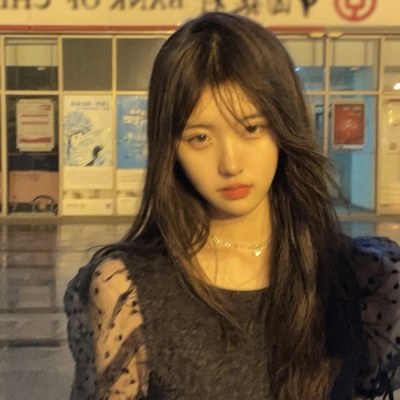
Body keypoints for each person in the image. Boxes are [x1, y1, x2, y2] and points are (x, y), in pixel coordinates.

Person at [64, 12, 400, 400]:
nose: (230, 164)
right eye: (200, 138)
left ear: (285, 126)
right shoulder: (126, 292)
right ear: (170, 149)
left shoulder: (364, 278)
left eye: (251, 128)